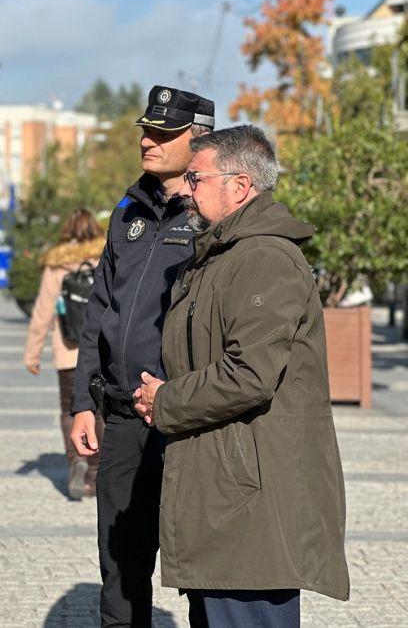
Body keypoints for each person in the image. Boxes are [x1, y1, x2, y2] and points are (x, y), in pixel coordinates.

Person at [133, 125, 349, 626]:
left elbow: (249, 374)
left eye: (196, 177)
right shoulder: (223, 256)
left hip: (250, 498)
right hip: (223, 490)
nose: (186, 189)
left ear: (241, 185)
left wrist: (165, 400)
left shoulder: (263, 259)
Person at [68, 86, 215, 627]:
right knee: (120, 568)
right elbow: (98, 309)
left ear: (197, 140)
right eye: (145, 130)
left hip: (186, 422)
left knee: (202, 568)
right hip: (125, 417)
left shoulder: (211, 215)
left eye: (163, 133)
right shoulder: (127, 208)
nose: (147, 141)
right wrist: (83, 400)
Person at [23, 209, 106, 499]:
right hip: (101, 349)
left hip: (68, 352)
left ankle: (76, 462)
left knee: (69, 409)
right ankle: (95, 472)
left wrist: (32, 354)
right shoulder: (107, 255)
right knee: (98, 409)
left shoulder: (58, 262)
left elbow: (44, 311)